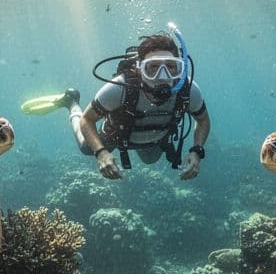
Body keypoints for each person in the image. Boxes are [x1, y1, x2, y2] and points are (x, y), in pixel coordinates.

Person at [23, 27, 209, 181]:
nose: (163, 76)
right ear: (139, 69)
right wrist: (101, 153)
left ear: (180, 68)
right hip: (116, 135)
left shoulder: (189, 89)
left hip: (156, 139)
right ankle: (71, 102)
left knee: (150, 160)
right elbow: (87, 120)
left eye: (170, 67)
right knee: (86, 148)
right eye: (152, 68)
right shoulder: (120, 88)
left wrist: (197, 150)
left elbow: (203, 120)